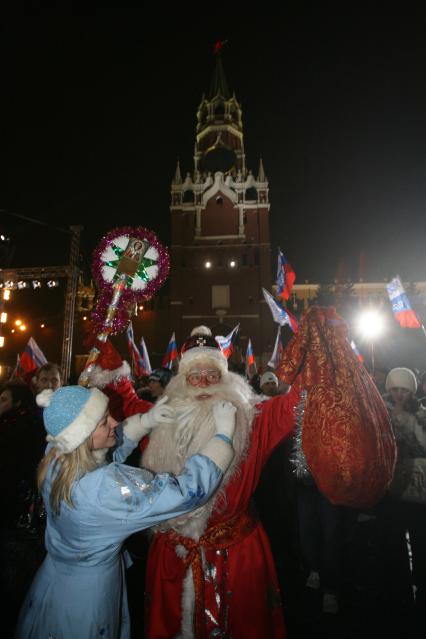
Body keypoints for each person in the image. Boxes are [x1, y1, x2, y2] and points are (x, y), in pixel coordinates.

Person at [15, 384, 236, 639]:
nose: (115, 421)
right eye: (102, 422)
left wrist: (144, 421)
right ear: (82, 435)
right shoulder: (105, 489)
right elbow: (184, 493)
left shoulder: (56, 455)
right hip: (89, 595)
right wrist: (223, 437)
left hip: (54, 579)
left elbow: (100, 457)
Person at [140, 326, 301, 639]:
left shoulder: (253, 419)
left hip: (235, 557)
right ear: (181, 381)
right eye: (194, 374)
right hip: (173, 556)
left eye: (211, 374)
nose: (202, 383)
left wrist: (315, 353)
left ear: (226, 378)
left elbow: (294, 404)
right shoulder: (160, 420)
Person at [375, 367, 426, 622]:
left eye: (403, 390)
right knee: (392, 541)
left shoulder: (421, 415)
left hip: (418, 490)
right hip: (391, 488)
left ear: (411, 390)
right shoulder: (380, 412)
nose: (398, 394)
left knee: (419, 542)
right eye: (394, 389)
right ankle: (397, 592)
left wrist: (411, 423)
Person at [0, 381, 46, 637]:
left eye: (4, 400)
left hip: (15, 520)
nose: (0, 404)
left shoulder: (16, 431)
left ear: (17, 404)